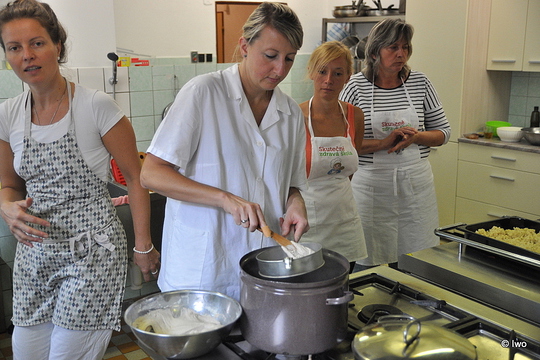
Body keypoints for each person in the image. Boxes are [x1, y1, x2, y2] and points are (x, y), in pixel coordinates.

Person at [0, 0, 159, 359]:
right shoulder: (8, 114)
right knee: (27, 354)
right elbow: (9, 185)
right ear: (7, 55)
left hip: (91, 256)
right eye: (14, 47)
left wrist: (144, 246)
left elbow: (136, 178)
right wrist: (6, 207)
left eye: (37, 42)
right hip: (35, 259)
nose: (27, 55)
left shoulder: (95, 106)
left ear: (57, 45)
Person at [140, 2, 308, 300]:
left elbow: (290, 182)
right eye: (270, 56)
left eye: (290, 59)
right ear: (244, 45)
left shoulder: (291, 113)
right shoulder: (203, 93)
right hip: (203, 271)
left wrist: (295, 203)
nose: (280, 69)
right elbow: (151, 174)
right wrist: (224, 199)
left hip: (263, 269)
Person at [339, 18, 451, 269]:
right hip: (371, 190)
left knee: (418, 258)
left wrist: (417, 138)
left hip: (416, 188)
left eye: (406, 47)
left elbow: (444, 132)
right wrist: (383, 143)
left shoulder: (420, 82)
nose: (401, 54)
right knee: (370, 259)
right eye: (393, 48)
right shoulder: (355, 87)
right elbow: (343, 144)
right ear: (376, 51)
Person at [298, 41, 367, 273]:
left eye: (338, 73)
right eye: (322, 71)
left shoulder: (354, 115)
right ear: (311, 72)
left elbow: (350, 171)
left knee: (344, 287)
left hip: (345, 222)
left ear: (348, 76)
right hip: (308, 222)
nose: (329, 80)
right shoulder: (295, 116)